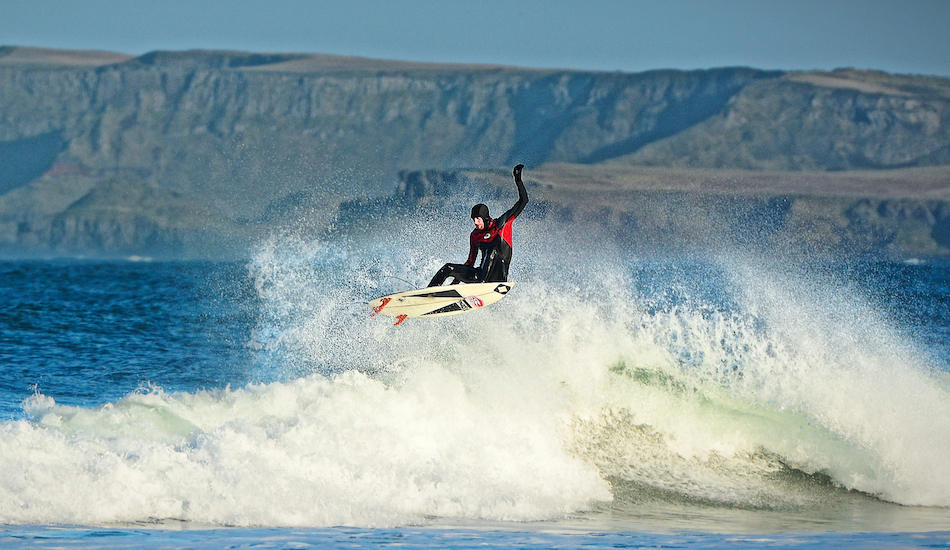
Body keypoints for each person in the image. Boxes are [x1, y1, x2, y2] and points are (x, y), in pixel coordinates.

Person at [428, 164, 529, 287]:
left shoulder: (502, 224)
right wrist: (454, 285)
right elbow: (470, 262)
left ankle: (481, 285)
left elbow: (523, 201)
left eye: (478, 219)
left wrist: (518, 180)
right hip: (479, 277)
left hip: (497, 280)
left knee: (492, 250)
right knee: (448, 268)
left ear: (486, 218)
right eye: (473, 219)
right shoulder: (475, 235)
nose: (475, 222)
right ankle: (430, 292)